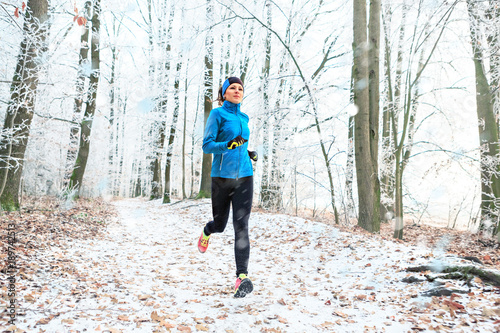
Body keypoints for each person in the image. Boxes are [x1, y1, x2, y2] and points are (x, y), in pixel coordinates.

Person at [197, 77, 257, 298]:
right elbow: (207, 145)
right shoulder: (217, 114)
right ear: (224, 93)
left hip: (244, 176)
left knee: (241, 226)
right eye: (232, 88)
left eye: (240, 88)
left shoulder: (244, 117)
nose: (237, 91)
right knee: (221, 224)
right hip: (221, 178)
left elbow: (242, 143)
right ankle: (207, 230)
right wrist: (227, 146)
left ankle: (241, 277)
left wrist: (249, 153)